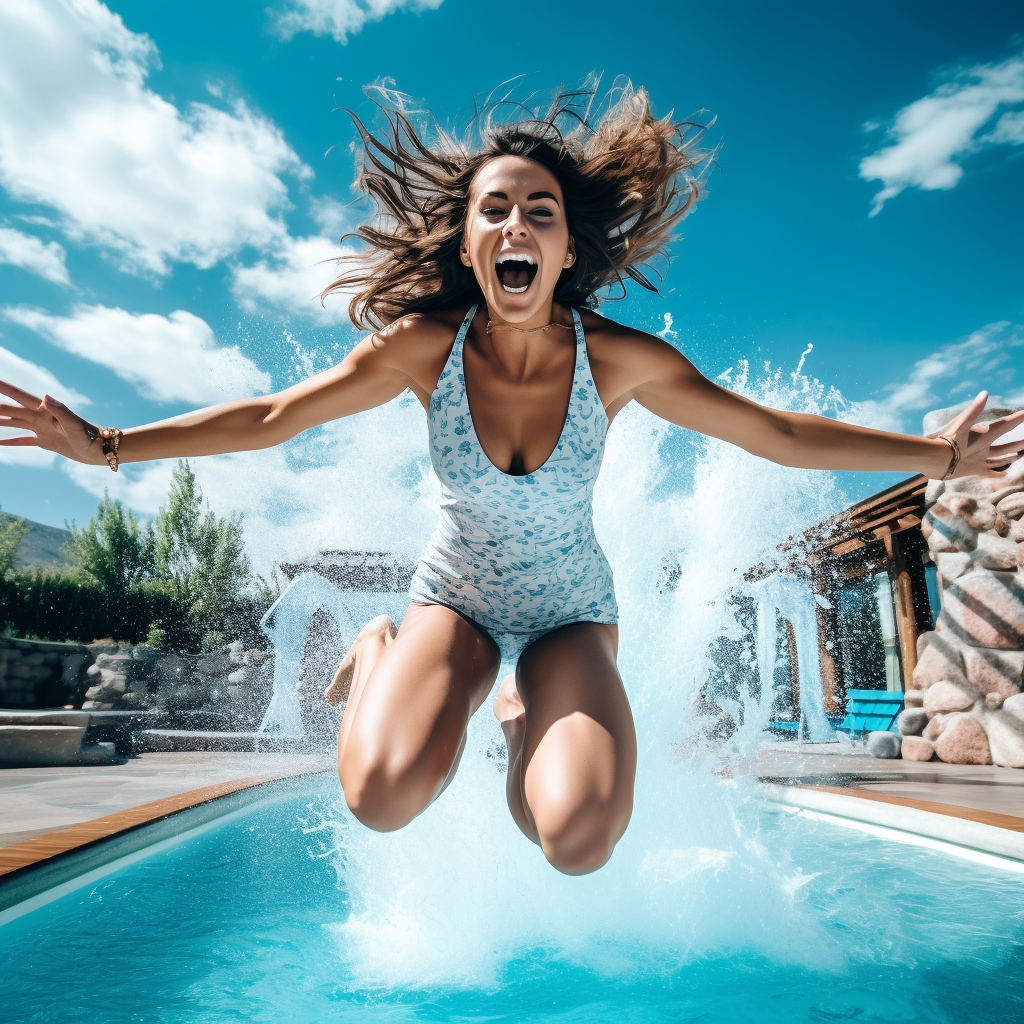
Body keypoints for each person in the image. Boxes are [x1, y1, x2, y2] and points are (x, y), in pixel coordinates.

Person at [2, 84, 1022, 876]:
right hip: (456, 600)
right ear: (469, 240)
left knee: (573, 838)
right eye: (495, 210)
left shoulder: (618, 359)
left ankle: (517, 710)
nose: (516, 226)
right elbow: (276, 415)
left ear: (565, 245)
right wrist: (106, 442)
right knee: (381, 795)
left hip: (571, 611)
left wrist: (933, 457)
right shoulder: (421, 348)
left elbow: (770, 429)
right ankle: (380, 644)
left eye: (540, 210)